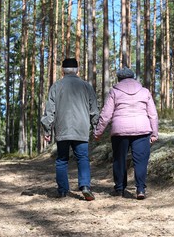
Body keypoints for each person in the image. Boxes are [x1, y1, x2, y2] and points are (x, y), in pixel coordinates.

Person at [93, 67, 158, 200]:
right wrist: (154, 133)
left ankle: (119, 189)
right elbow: (153, 114)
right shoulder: (144, 91)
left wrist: (98, 132)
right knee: (140, 161)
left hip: (120, 131)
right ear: (133, 77)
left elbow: (106, 115)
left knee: (119, 160)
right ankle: (140, 189)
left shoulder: (115, 92)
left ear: (119, 79)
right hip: (142, 130)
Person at [41, 58, 99, 201]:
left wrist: (47, 129)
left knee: (62, 160)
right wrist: (96, 126)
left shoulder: (56, 86)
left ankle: (62, 190)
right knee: (83, 158)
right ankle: (85, 186)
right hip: (81, 129)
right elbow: (94, 109)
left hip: (63, 129)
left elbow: (50, 110)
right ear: (77, 70)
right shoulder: (86, 86)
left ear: (63, 70)